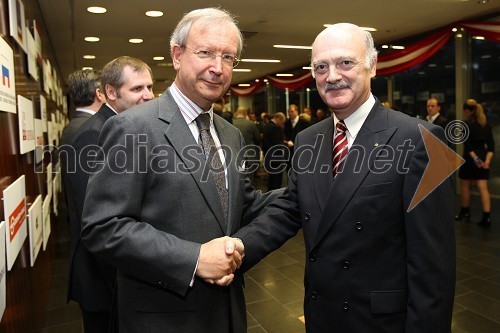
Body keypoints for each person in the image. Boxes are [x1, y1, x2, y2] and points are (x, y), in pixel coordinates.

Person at [233, 23, 456, 333]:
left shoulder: (424, 139)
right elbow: (290, 209)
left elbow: (434, 268)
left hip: (380, 321)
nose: (332, 76)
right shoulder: (309, 139)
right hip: (321, 313)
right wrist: (237, 249)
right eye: (321, 67)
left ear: (372, 66)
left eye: (345, 63)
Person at [80, 8, 280, 333]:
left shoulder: (229, 133)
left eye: (228, 58)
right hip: (163, 317)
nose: (217, 68)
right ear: (177, 55)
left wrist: (312, 188)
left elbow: (242, 204)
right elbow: (103, 226)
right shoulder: (132, 128)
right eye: (205, 53)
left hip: (227, 313)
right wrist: (194, 259)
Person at [61, 56, 154, 333]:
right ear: (110, 93)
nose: (149, 96)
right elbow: (98, 222)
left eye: (150, 87)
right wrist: (119, 282)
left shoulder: (122, 127)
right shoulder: (95, 135)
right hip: (103, 278)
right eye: (137, 89)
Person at [456, 99, 494, 227]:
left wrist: (476, 160)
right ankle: (486, 217)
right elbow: (491, 147)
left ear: (467, 111)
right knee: (483, 188)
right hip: (483, 158)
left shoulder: (465, 125)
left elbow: (467, 146)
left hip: (470, 159)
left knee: (465, 186)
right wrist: (486, 161)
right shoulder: (486, 125)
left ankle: (464, 212)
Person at [233, 106, 261, 182]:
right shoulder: (251, 124)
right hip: (250, 155)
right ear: (245, 113)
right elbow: (258, 139)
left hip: (235, 155)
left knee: (238, 179)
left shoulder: (231, 123)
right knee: (249, 179)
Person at [262, 112, 287, 191]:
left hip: (268, 155)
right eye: (282, 122)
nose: (281, 124)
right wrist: (284, 143)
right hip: (275, 157)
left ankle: (270, 195)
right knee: (276, 179)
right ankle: (275, 196)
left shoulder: (266, 126)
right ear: (278, 119)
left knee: (271, 178)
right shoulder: (274, 128)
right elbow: (276, 143)